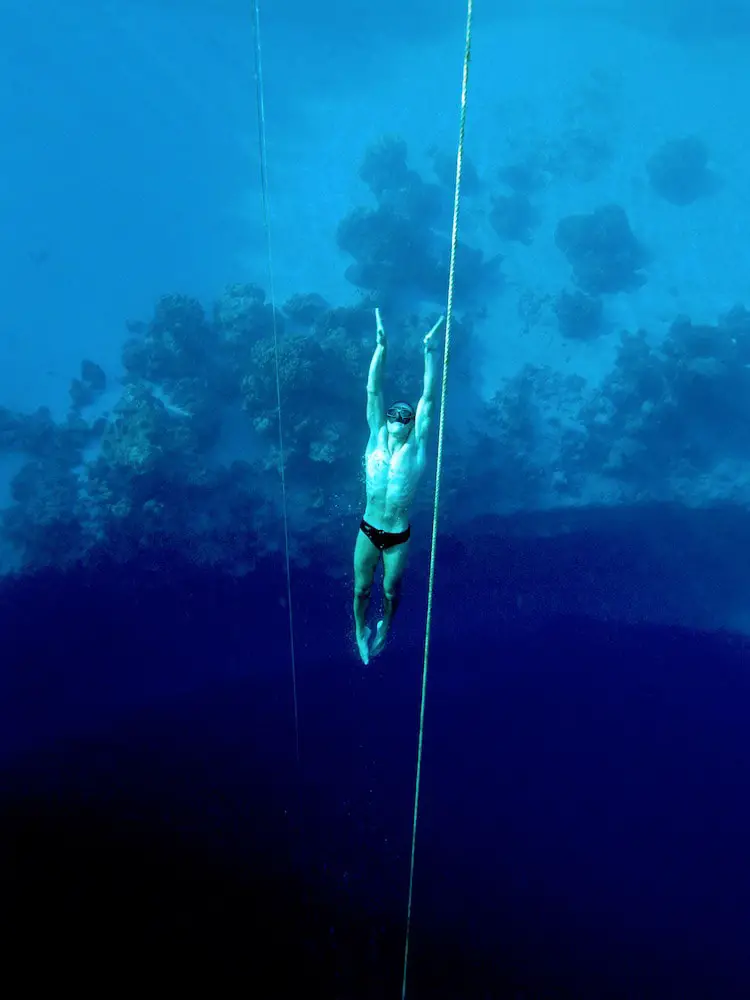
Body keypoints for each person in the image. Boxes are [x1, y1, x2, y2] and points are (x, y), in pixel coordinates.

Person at [353, 307, 444, 664]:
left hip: (397, 534)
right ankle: (360, 629)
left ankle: (385, 628)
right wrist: (381, 348)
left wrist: (429, 353)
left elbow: (429, 398)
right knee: (361, 588)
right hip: (369, 527)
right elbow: (372, 389)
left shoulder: (417, 448)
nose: (398, 418)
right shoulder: (375, 437)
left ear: (410, 424)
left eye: (405, 416)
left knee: (391, 591)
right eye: (394, 413)